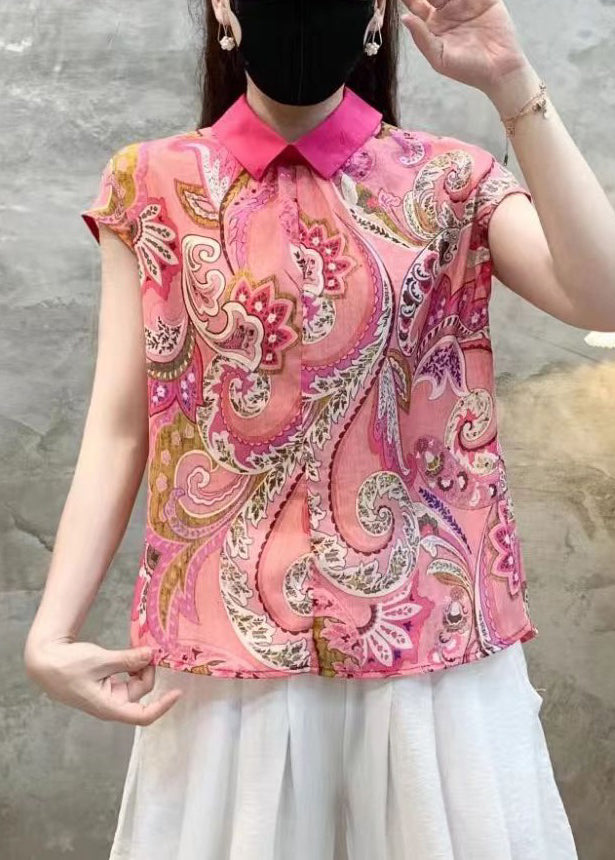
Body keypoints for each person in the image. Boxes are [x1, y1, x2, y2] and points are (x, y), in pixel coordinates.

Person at [24, 0, 615, 857]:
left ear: (378, 12)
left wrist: (510, 82)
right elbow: (122, 424)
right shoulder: (150, 183)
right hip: (228, 665)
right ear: (221, 7)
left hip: (430, 649)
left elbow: (602, 296)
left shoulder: (450, 181)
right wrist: (52, 630)